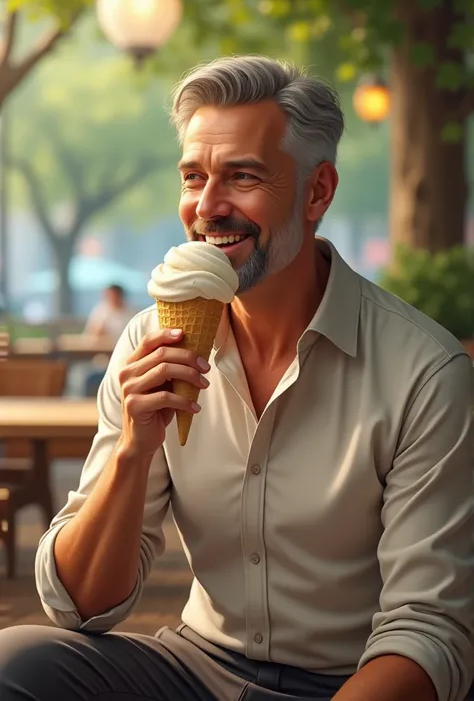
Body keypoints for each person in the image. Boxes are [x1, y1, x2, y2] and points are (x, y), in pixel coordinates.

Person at [0, 56, 473, 701]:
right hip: (197, 667)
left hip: (352, 681)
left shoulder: (425, 373)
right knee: (16, 660)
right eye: (194, 177)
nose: (208, 207)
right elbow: (83, 608)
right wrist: (134, 453)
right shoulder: (149, 341)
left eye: (243, 177)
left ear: (318, 192)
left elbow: (429, 635)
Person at [83, 284, 135, 396]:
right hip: (103, 361)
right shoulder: (100, 311)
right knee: (88, 378)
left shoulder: (131, 313)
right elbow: (90, 337)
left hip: (128, 362)